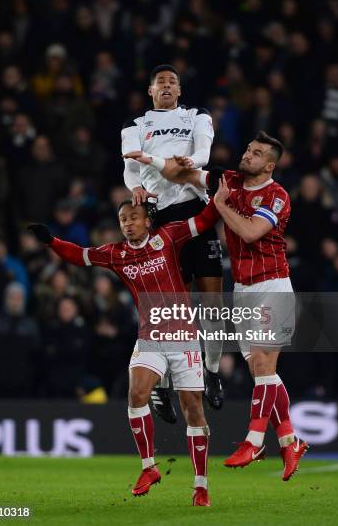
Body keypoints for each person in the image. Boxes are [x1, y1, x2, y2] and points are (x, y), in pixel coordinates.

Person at [126, 131, 309, 481]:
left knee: (262, 364)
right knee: (262, 372)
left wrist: (221, 205)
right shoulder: (230, 181)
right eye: (248, 148)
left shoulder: (277, 196)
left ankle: (254, 441)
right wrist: (154, 163)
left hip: (273, 284)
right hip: (243, 289)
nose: (248, 154)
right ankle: (290, 440)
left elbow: (251, 232)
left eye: (256, 153)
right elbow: (186, 176)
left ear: (269, 165)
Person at [28, 198, 221, 506]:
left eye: (134, 217)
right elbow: (80, 256)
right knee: (136, 394)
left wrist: (218, 195)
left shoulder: (168, 236)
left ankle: (201, 486)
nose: (128, 223)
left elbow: (204, 220)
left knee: (192, 409)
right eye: (123, 220)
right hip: (151, 336)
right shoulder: (116, 254)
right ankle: (149, 468)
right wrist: (52, 241)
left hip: (184, 336)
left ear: (147, 221)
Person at [121, 64, 224, 421]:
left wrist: (191, 163)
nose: (167, 86)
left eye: (173, 82)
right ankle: (161, 385)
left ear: (179, 91)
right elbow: (130, 166)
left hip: (195, 210)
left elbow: (205, 154)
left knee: (212, 303)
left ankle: (211, 370)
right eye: (160, 82)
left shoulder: (196, 116)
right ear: (150, 91)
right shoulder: (135, 126)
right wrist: (133, 185)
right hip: (160, 217)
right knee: (166, 310)